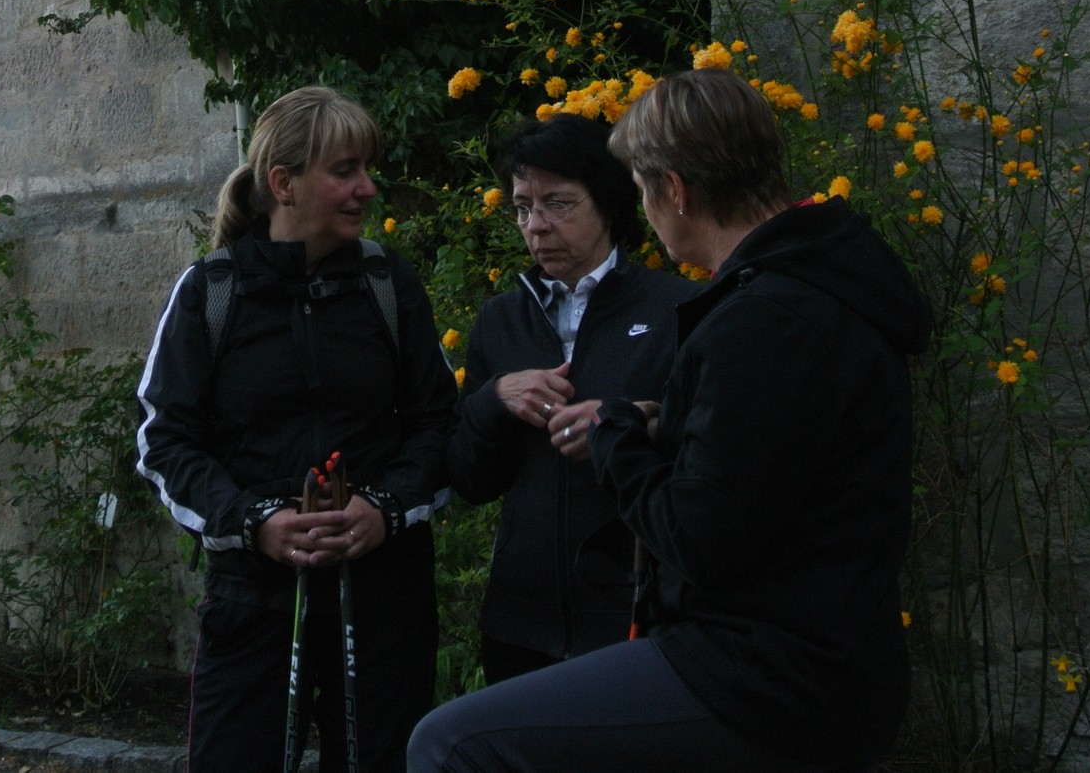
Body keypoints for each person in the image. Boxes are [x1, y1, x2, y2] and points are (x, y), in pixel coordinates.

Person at [409, 69, 930, 773]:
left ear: (675, 190)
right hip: (811, 662)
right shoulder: (815, 285)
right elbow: (768, 472)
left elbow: (700, 537)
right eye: (523, 207)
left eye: (641, 189)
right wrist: (663, 424)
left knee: (449, 744)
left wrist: (615, 432)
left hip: (764, 675)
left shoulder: (765, 316)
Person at [137, 86, 458, 773]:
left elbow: (438, 424)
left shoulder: (387, 283)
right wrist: (254, 521)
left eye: (366, 168)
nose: (367, 187)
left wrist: (385, 509)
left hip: (383, 599)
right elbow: (164, 441)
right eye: (345, 171)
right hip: (252, 601)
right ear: (284, 184)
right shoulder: (211, 290)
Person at [447, 114, 691, 684]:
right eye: (522, 207)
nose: (536, 226)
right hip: (520, 624)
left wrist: (633, 423)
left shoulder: (675, 310)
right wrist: (492, 400)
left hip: (636, 618)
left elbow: (708, 458)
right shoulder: (500, 321)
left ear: (606, 202)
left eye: (557, 204)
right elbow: (469, 480)